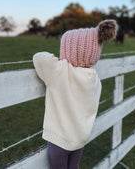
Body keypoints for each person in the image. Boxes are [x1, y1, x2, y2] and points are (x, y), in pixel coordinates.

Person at [33, 19, 118, 169]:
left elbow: (39, 57)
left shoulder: (60, 71)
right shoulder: (94, 78)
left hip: (60, 140)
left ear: (71, 52)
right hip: (80, 138)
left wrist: (63, 62)